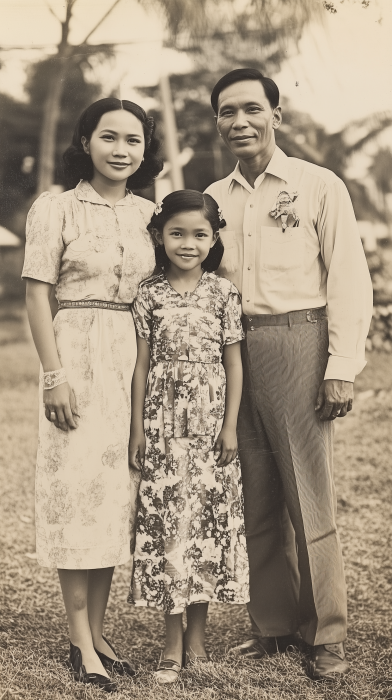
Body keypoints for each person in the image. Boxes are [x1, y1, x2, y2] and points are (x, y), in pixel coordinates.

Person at [205, 68, 373, 680]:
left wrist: (341, 366)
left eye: (252, 109)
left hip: (298, 341)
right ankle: (273, 625)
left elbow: (349, 275)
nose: (239, 122)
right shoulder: (213, 198)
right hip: (230, 351)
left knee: (310, 495)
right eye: (227, 112)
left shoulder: (316, 184)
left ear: (277, 114)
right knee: (254, 495)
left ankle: (324, 633)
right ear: (217, 121)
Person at [22, 97, 163, 692]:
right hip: (75, 350)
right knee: (76, 493)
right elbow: (35, 293)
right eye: (109, 137)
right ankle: (80, 641)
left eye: (133, 141)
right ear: (86, 142)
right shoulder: (56, 208)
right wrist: (54, 375)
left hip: (130, 360)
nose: (121, 150)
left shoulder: (150, 214)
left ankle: (98, 632)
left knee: (111, 499)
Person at [128, 190, 249, 685]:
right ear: (160, 236)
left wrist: (230, 426)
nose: (188, 243)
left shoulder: (223, 293)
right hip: (162, 427)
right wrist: (137, 426)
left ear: (214, 238)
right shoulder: (148, 293)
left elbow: (234, 363)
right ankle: (170, 641)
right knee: (168, 526)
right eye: (177, 233)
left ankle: (197, 638)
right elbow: (140, 366)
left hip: (210, 430)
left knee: (204, 529)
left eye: (200, 234)